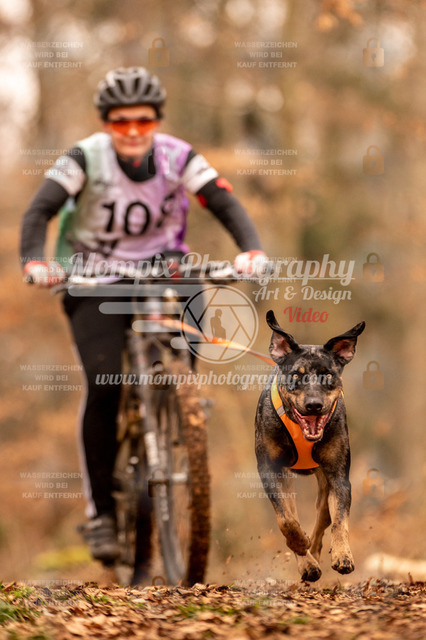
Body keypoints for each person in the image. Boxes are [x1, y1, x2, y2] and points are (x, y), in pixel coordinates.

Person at [20, 67, 267, 563]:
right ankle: (102, 513)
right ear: (105, 123)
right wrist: (34, 261)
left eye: (143, 121)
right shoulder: (84, 157)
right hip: (92, 276)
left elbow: (221, 200)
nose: (132, 131)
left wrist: (251, 249)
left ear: (157, 120)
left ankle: (183, 396)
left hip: (162, 268)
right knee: (105, 385)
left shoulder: (178, 156)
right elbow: (39, 211)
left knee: (194, 285)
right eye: (121, 121)